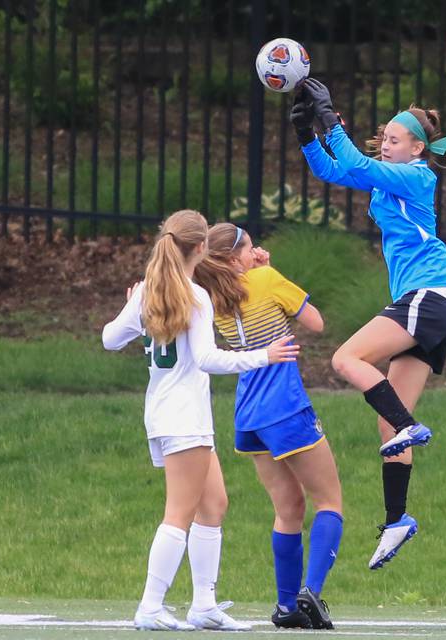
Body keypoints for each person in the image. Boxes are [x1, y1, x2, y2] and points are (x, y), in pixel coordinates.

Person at [102, 209, 300, 632]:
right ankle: (150, 606)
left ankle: (204, 605)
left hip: (168, 415)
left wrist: (131, 307)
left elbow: (109, 338)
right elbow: (209, 359)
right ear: (200, 248)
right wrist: (264, 356)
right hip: (184, 418)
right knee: (179, 513)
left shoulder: (149, 294)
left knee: (214, 505)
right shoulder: (195, 296)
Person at [291, 79, 446, 570]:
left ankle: (411, 426)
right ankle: (397, 519)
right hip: (435, 304)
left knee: (346, 358)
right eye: (383, 136)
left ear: (417, 149)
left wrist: (330, 117)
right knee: (388, 426)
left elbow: (360, 164)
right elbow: (335, 169)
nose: (386, 142)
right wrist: (308, 133)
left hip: (427, 295)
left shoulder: (419, 177)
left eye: (394, 138)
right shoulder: (389, 175)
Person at [193, 223, 343, 630]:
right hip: (285, 405)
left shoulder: (211, 296)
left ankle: (286, 606)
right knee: (329, 501)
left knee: (288, 508)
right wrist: (271, 273)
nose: (255, 250)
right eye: (249, 247)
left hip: (249, 413)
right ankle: (310, 592)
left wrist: (257, 268)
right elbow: (315, 322)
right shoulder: (266, 279)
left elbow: (244, 295)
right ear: (236, 257)